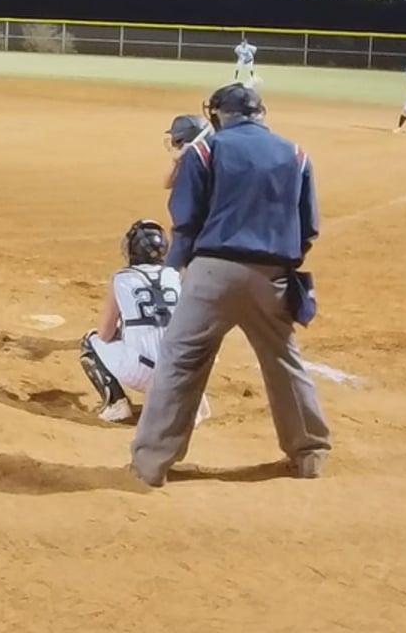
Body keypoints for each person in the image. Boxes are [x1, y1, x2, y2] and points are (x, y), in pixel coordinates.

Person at [130, 83, 330, 488]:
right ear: (260, 112)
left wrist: (175, 266)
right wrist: (278, 264)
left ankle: (152, 464)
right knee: (283, 360)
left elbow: (186, 219)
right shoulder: (296, 154)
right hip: (272, 276)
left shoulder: (206, 150)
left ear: (218, 114)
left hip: (212, 272)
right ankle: (309, 454)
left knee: (181, 359)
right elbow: (308, 227)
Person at [81, 219, 212, 425]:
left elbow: (105, 334)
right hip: (181, 373)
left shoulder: (122, 279)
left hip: (141, 374)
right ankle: (187, 402)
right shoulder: (176, 276)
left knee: (91, 341)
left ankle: (116, 404)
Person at [161, 113, 211, 190]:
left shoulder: (206, 158)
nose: (175, 146)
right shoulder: (186, 157)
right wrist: (175, 162)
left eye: (178, 141)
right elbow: (167, 184)